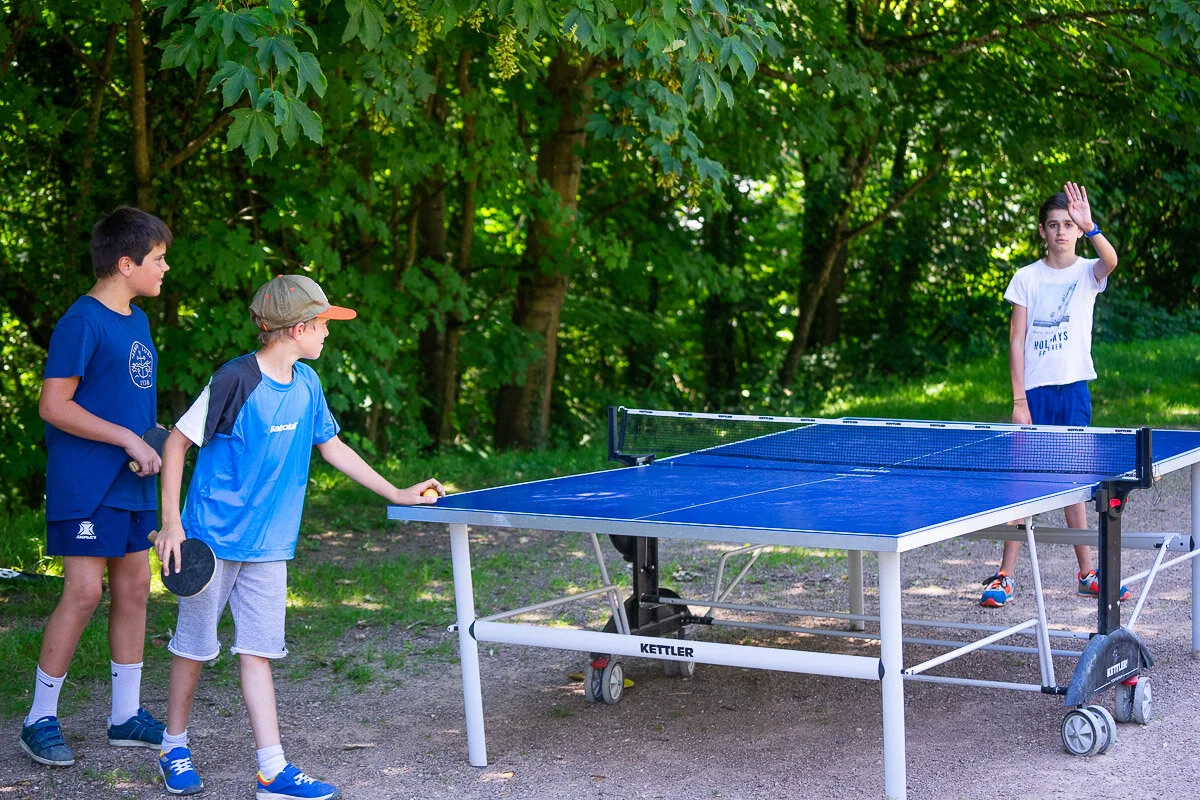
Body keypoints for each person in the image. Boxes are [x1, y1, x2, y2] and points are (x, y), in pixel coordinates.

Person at [154, 274, 443, 798]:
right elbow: (176, 443)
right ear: (298, 328)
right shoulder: (235, 380)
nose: (328, 333)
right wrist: (172, 523)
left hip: (269, 547)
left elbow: (332, 447)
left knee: (258, 651)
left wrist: (396, 492)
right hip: (211, 541)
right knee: (194, 649)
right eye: (323, 323)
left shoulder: (308, 383)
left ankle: (272, 770)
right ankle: (173, 747)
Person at [20, 207, 173, 766]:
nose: (165, 268)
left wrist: (149, 442)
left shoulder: (138, 321)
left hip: (131, 482)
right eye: (158, 259)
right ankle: (38, 719)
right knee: (84, 592)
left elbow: (126, 401)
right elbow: (53, 405)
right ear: (126, 263)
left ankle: (125, 716)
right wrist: (127, 439)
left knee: (134, 588)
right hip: (86, 483)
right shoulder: (81, 321)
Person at [980, 181, 1131, 608]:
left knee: (1073, 482)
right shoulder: (1026, 278)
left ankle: (1086, 574)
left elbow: (1111, 260)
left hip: (1074, 391)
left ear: (1077, 230)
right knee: (1024, 483)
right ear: (1042, 231)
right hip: (1035, 394)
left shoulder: (1088, 272)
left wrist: (1092, 225)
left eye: (1068, 224)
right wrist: (1019, 401)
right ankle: (1005, 576)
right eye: (1053, 224)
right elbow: (1016, 341)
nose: (1061, 231)